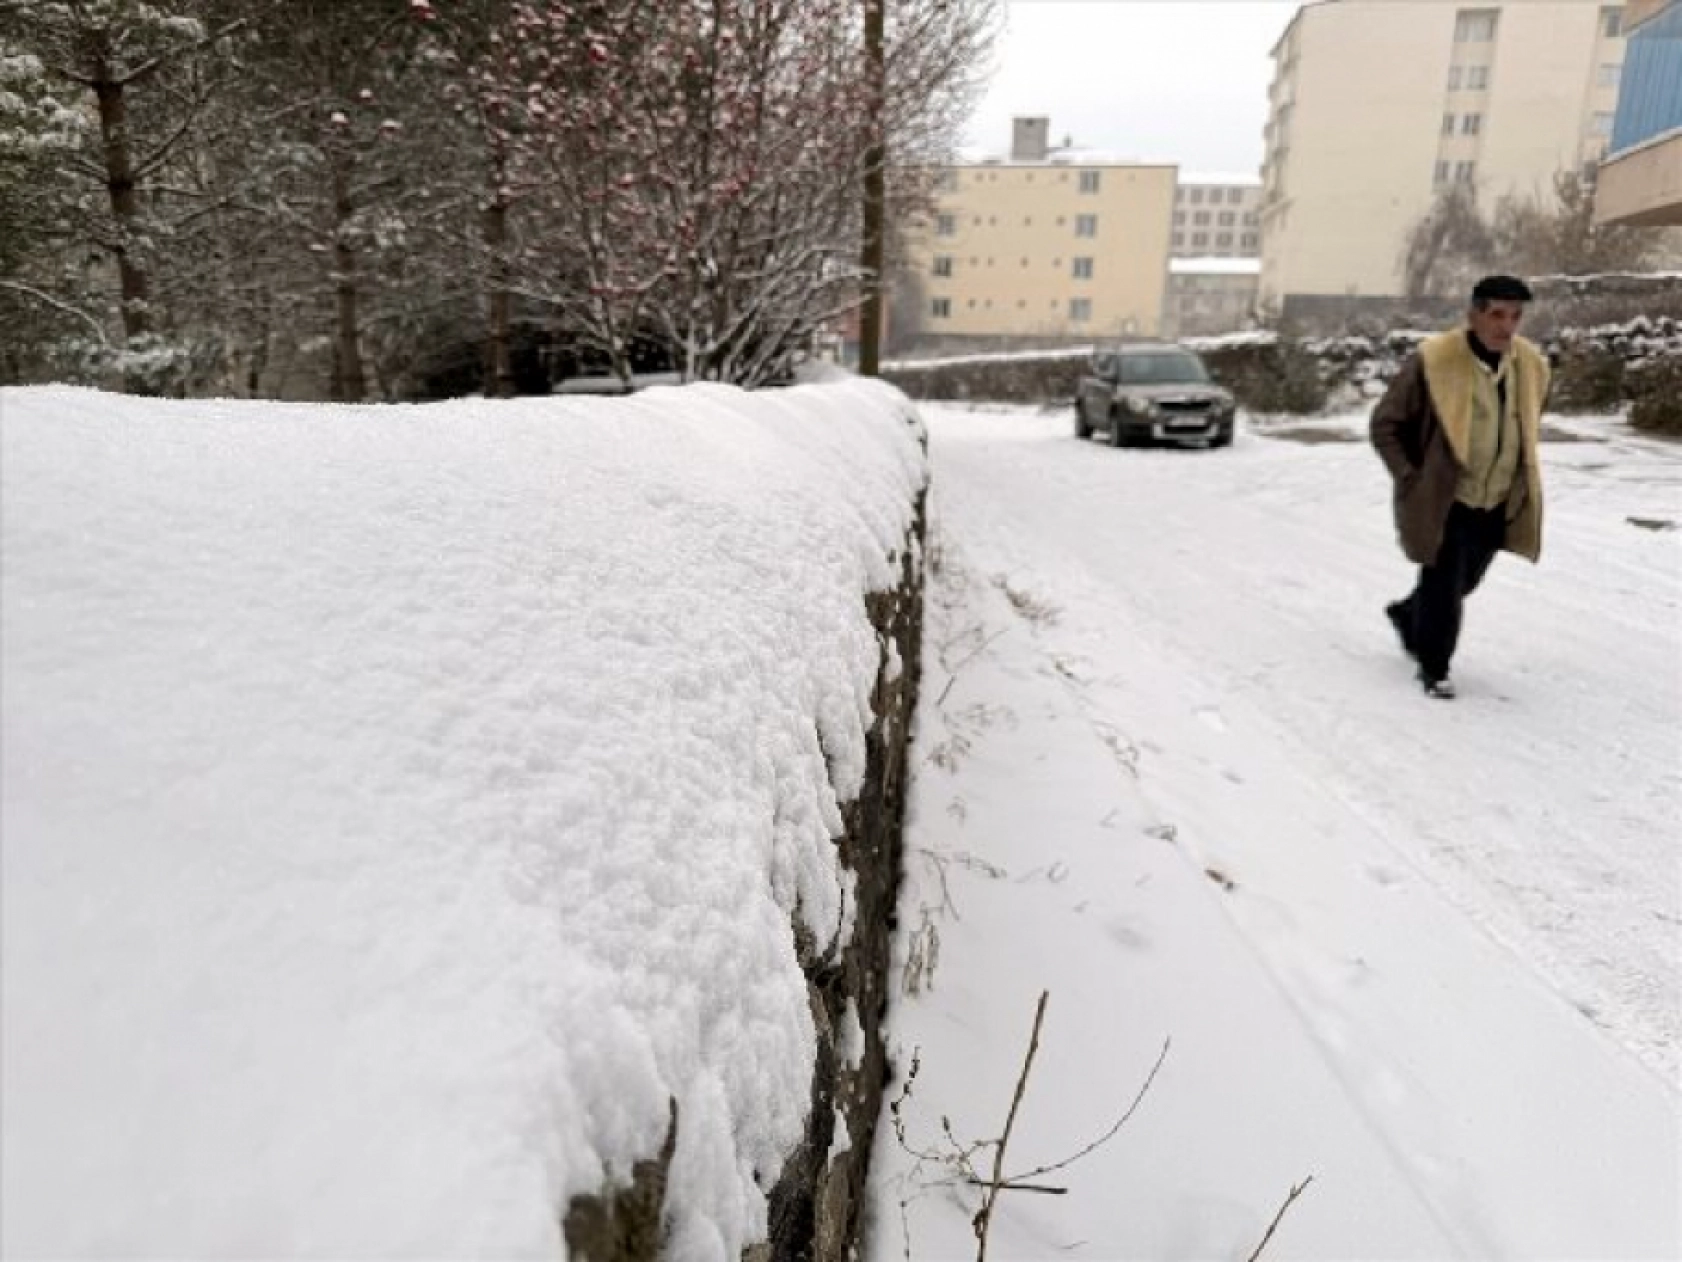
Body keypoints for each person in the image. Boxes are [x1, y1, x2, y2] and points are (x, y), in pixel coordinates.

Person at [1369, 274, 1550, 699]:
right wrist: (1413, 478)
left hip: (1496, 498)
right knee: (1445, 585)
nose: (1506, 326)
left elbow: (1529, 420)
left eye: (1516, 316)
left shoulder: (1530, 366)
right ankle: (1435, 669)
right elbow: (1386, 424)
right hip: (1447, 498)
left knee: (1462, 582)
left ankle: (1406, 613)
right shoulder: (1434, 361)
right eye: (1497, 315)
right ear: (1474, 315)